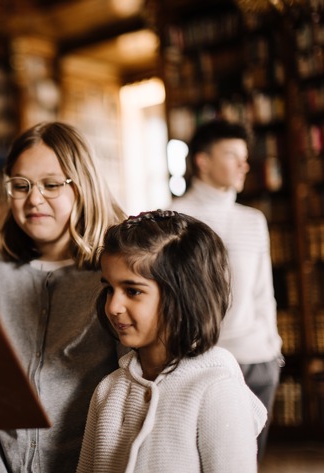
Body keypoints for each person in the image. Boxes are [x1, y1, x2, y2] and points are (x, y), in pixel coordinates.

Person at [0, 121, 126, 473]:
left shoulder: (115, 277)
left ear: (83, 186)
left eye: (51, 185)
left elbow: (130, 388)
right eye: (20, 186)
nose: (34, 199)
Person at [76, 210, 267, 473]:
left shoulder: (217, 392)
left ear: (184, 295)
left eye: (133, 291)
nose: (113, 306)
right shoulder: (107, 391)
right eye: (109, 288)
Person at [169, 119, 283, 461]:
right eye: (232, 155)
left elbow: (264, 292)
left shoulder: (253, 220)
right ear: (202, 161)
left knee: (248, 462)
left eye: (244, 156)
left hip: (259, 359)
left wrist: (272, 349)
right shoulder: (175, 217)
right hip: (204, 361)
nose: (243, 165)